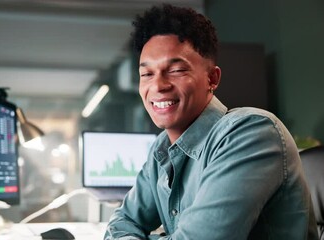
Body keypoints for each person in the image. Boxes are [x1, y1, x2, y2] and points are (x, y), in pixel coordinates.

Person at [104, 4, 318, 240]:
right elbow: (121, 223)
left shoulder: (252, 133)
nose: (158, 86)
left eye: (176, 70)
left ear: (212, 78)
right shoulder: (161, 150)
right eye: (147, 74)